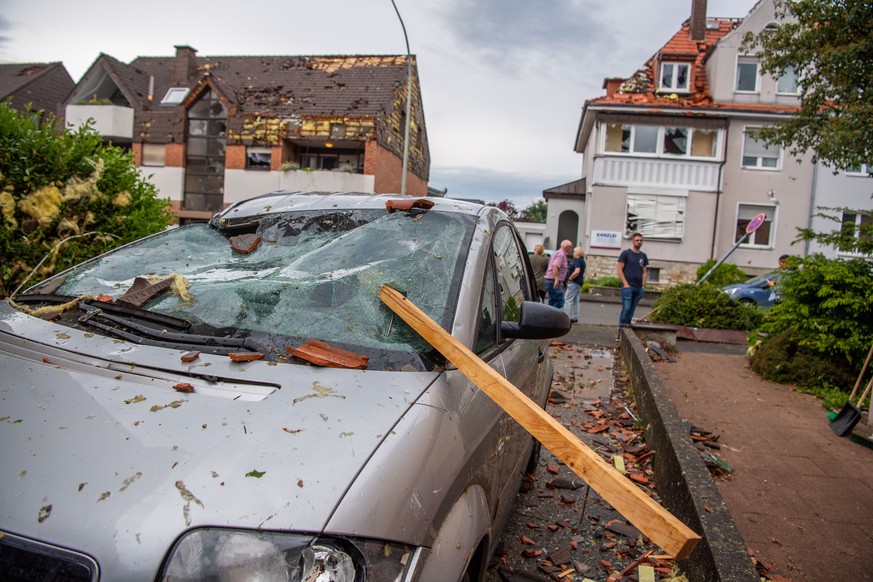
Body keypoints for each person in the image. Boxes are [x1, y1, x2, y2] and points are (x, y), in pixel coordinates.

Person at [617, 232, 648, 340]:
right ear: (633, 241)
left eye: (641, 240)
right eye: (637, 240)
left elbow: (644, 271)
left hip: (638, 287)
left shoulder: (643, 256)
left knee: (632, 310)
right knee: (626, 308)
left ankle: (627, 334)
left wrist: (643, 285)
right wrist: (625, 283)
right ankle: (620, 332)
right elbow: (619, 269)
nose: (639, 242)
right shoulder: (626, 254)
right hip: (628, 287)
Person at [544, 240, 572, 309]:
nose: (570, 249)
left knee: (552, 301)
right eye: (570, 247)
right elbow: (555, 266)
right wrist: (557, 279)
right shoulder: (561, 255)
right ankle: (551, 315)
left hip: (551, 280)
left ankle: (548, 316)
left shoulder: (557, 253)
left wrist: (560, 281)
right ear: (566, 247)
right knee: (560, 301)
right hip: (553, 280)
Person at [564, 247, 586, 323]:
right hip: (579, 283)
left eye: (574, 252)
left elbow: (577, 271)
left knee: (567, 300)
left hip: (574, 282)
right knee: (576, 301)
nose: (573, 253)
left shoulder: (577, 261)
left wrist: (570, 278)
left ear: (577, 253)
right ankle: (575, 317)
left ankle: (565, 317)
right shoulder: (583, 261)